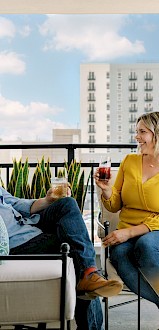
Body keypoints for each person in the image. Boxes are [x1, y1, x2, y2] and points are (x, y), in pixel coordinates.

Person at [0, 182, 122, 330]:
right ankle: (90, 277)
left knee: (67, 204)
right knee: (77, 254)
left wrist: (47, 200)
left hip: (31, 225)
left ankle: (90, 273)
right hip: (18, 245)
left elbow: (16, 203)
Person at [95, 111, 159, 310]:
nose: (137, 137)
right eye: (136, 131)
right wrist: (106, 191)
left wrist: (130, 232)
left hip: (153, 230)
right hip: (125, 230)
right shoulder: (129, 161)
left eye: (142, 132)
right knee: (119, 254)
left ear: (156, 135)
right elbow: (115, 205)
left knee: (146, 246)